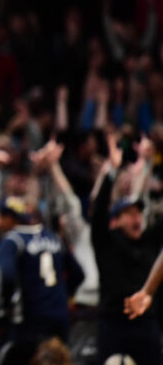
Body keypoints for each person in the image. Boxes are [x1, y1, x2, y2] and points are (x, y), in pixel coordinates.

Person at [92, 133, 163, 365]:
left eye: (139, 213)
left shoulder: (149, 240)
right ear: (116, 220)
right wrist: (111, 171)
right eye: (130, 213)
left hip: (146, 322)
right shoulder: (106, 241)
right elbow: (99, 210)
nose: (137, 217)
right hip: (113, 323)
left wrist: (150, 161)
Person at [0, 196, 83, 365]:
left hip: (30, 319)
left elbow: (7, 276)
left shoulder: (12, 240)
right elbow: (78, 274)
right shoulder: (53, 237)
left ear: (10, 218)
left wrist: (7, 305)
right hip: (59, 317)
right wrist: (62, 296)